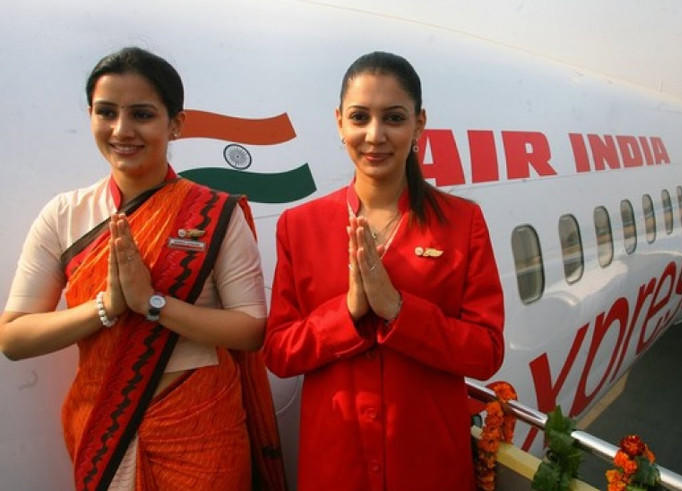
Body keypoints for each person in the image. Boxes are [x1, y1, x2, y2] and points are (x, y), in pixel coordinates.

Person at [0, 47, 284, 490]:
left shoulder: (213, 212)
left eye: (142, 114)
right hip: (104, 427)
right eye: (106, 112)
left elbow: (250, 329)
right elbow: (13, 338)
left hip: (201, 427)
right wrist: (106, 306)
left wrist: (153, 304)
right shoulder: (64, 215)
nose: (121, 130)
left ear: (176, 124)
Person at [263, 51, 505, 491]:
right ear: (340, 123)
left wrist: (399, 310)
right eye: (360, 118)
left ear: (419, 123)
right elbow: (279, 353)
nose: (375, 135)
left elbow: (487, 353)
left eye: (393, 118)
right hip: (336, 466)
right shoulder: (300, 227)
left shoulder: (461, 222)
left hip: (429, 464)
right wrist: (348, 311)